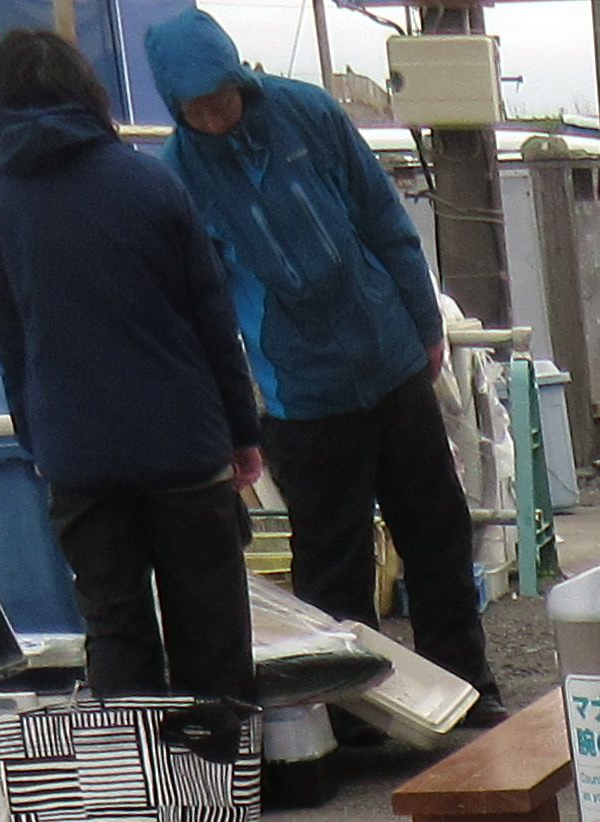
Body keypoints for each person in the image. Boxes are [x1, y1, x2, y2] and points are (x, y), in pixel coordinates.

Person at [135, 6, 496, 711]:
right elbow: (204, 306)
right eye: (197, 108)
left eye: (222, 96)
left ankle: (469, 688)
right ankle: (357, 716)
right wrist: (232, 412)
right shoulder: (177, 176)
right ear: (176, 109)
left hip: (389, 358)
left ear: (240, 78)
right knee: (333, 565)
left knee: (438, 533)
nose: (215, 115)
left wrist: (425, 326)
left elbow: (384, 219)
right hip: (300, 392)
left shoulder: (308, 113)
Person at [0, 25, 263, 703]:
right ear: (87, 92)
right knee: (211, 626)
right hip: (183, 442)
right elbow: (212, 318)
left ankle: (132, 766)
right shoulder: (151, 181)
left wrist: (39, 439)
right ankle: (221, 765)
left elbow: (5, 334)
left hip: (79, 454)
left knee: (115, 628)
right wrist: (242, 431)